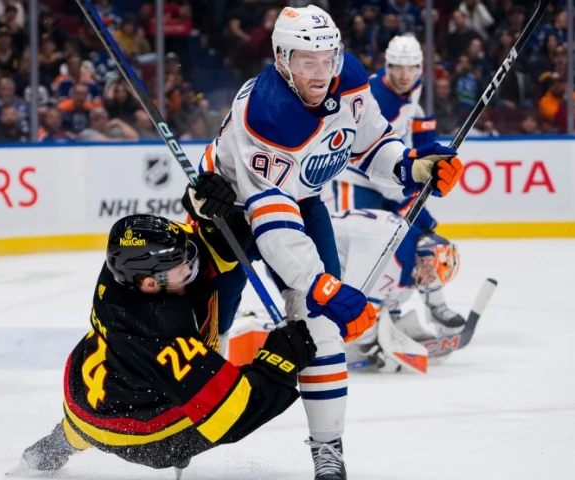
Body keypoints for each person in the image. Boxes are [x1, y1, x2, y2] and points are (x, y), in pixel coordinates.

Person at [186, 6, 464, 479]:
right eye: (306, 61)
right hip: (229, 211)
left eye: (327, 57)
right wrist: (320, 284)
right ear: (280, 59)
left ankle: (327, 448)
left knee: (322, 328)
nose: (321, 72)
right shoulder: (268, 113)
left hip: (303, 200)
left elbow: (372, 144)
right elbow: (270, 219)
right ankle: (182, 425)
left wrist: (413, 168)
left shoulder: (350, 77)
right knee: (210, 330)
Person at [16, 209, 316, 478]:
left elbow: (203, 247)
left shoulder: (125, 271)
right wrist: (280, 359)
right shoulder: (161, 336)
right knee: (195, 417)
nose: (189, 267)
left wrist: (207, 209)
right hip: (145, 436)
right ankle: (62, 442)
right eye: (180, 267)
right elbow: (235, 412)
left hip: (90, 394)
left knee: (80, 428)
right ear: (150, 284)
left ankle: (53, 447)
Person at [330, 34, 465, 334]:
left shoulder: (416, 97)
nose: (404, 75)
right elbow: (359, 152)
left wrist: (427, 172)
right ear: (386, 65)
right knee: (366, 251)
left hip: (393, 184)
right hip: (358, 184)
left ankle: (424, 305)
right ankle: (352, 318)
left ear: (420, 68)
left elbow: (421, 149)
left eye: (411, 67)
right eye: (397, 67)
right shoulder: (372, 95)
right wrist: (406, 191)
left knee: (423, 242)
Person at [330, 208, 462, 369]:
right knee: (342, 301)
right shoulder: (387, 256)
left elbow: (389, 289)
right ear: (423, 259)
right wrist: (372, 343)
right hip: (316, 243)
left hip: (339, 238)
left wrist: (389, 324)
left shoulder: (408, 243)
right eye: (430, 273)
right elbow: (356, 307)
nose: (429, 281)